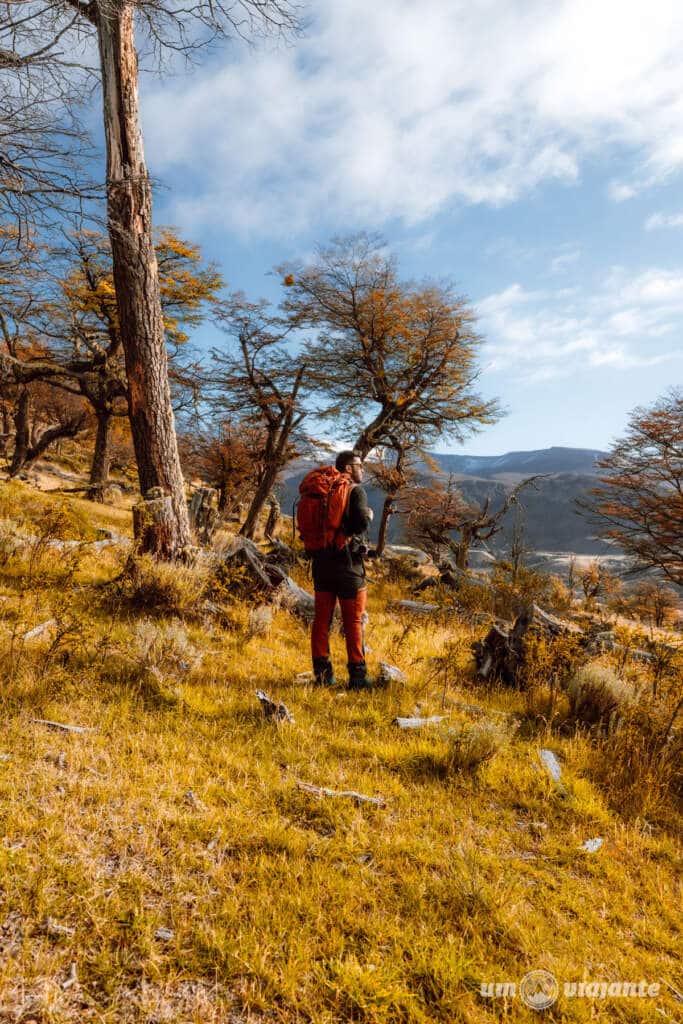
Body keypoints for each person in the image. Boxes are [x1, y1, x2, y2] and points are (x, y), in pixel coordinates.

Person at [310, 450, 374, 690]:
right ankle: (358, 678)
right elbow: (359, 523)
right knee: (353, 621)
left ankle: (323, 675)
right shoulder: (354, 490)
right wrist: (368, 515)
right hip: (348, 567)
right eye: (359, 465)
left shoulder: (320, 491)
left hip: (321, 564)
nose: (362, 469)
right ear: (348, 468)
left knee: (321, 621)